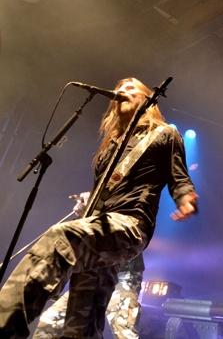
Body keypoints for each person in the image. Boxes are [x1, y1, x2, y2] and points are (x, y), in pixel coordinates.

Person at [0, 77, 198, 338]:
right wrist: (89, 200)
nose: (122, 91)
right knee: (83, 320)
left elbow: (179, 177)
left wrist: (185, 198)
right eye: (119, 89)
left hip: (129, 225)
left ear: (147, 98)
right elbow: (105, 189)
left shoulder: (164, 134)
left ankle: (6, 326)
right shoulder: (112, 145)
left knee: (60, 239)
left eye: (130, 88)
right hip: (99, 230)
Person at [33, 194, 145, 339]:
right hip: (93, 276)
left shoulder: (122, 205)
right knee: (50, 322)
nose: (77, 208)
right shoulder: (86, 220)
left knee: (123, 327)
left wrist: (94, 204)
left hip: (123, 276)